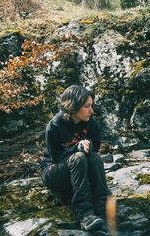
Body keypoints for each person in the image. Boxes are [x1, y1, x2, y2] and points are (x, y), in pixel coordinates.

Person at [40, 85, 111, 233]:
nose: (91, 111)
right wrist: (76, 147)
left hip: (77, 169)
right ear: (73, 107)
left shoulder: (91, 123)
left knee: (94, 158)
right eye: (87, 106)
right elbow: (56, 158)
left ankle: (103, 208)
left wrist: (89, 145)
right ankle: (85, 214)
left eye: (91, 106)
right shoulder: (54, 126)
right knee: (78, 157)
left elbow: (95, 147)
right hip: (53, 172)